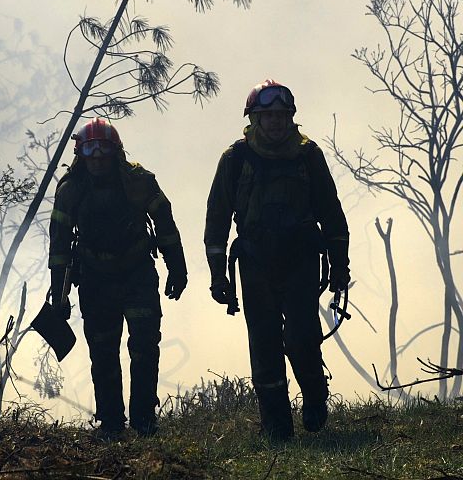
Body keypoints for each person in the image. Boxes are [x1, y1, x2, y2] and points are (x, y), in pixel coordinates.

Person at [204, 79, 350, 441]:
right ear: (253, 118)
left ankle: (315, 396)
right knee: (265, 346)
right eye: (266, 115)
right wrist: (218, 276)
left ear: (290, 117)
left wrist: (340, 267)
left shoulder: (308, 156)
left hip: (300, 260)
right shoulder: (235, 159)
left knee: (301, 339)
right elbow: (217, 219)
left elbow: (332, 214)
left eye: (281, 115)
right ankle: (277, 428)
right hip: (255, 265)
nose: (274, 122)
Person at [48, 116, 188, 439]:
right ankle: (111, 423)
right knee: (103, 350)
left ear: (116, 151)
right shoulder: (70, 190)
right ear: (80, 154)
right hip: (95, 279)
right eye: (89, 150)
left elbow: (165, 224)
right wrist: (60, 293)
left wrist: (177, 268)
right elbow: (59, 244)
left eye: (103, 149)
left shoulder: (138, 181)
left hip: (137, 274)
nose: (96, 157)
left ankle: (144, 421)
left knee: (144, 346)